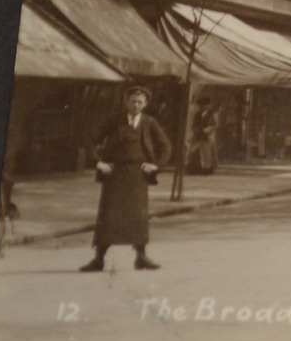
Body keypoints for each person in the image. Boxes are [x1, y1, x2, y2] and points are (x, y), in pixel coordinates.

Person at [79, 85, 173, 272]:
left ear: (145, 104)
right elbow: (90, 140)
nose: (135, 105)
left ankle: (141, 257)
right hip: (115, 175)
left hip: (138, 177)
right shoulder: (114, 121)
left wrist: (156, 166)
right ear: (126, 102)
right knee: (108, 217)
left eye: (140, 102)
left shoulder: (149, 123)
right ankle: (99, 259)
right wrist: (98, 163)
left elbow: (166, 147)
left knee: (138, 217)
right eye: (132, 101)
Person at [186, 95, 219, 175]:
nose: (202, 107)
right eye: (200, 105)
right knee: (194, 151)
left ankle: (208, 168)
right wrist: (195, 130)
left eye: (204, 104)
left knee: (207, 153)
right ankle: (197, 168)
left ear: (208, 105)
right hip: (198, 135)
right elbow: (193, 124)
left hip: (207, 136)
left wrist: (205, 131)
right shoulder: (197, 114)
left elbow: (215, 125)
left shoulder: (212, 114)